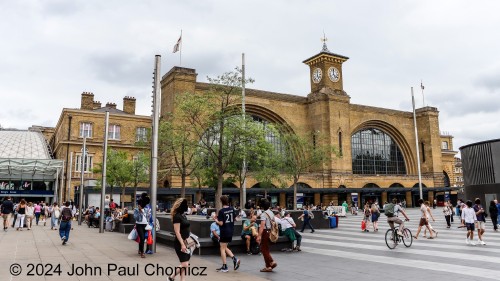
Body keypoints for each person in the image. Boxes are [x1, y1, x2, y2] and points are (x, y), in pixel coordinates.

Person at [215, 195, 240, 273]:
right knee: (224, 246)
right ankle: (234, 259)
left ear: (221, 201)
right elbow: (236, 219)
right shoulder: (232, 209)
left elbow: (221, 223)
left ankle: (225, 266)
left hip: (224, 231)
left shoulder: (221, 211)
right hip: (230, 231)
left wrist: (215, 220)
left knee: (222, 248)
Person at [168, 198, 190, 281]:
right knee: (185, 264)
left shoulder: (183, 215)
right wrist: (182, 244)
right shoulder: (177, 216)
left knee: (184, 263)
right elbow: (177, 232)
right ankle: (171, 277)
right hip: (180, 243)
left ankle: (182, 280)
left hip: (186, 242)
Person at [256, 198, 277, 272]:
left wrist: (258, 236)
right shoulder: (271, 212)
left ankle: (271, 262)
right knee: (266, 249)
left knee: (264, 249)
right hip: (270, 232)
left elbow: (262, 226)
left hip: (265, 232)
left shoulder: (264, 214)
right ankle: (268, 266)